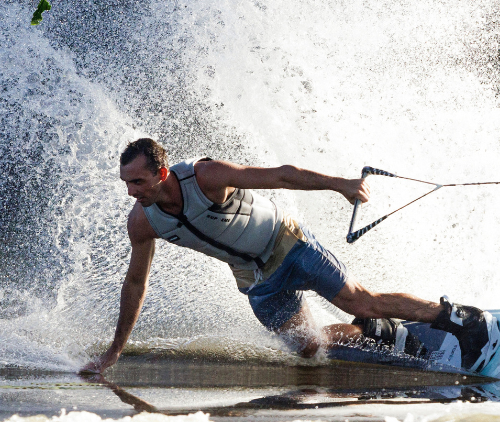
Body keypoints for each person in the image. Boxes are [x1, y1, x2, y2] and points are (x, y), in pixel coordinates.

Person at [82, 138, 500, 374]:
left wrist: (341, 185)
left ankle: (463, 320)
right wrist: (115, 349)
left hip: (288, 242)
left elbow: (281, 175)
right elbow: (135, 283)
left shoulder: (205, 175)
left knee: (360, 301)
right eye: (126, 183)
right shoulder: (143, 223)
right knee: (309, 348)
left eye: (136, 181)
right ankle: (386, 333)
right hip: (256, 279)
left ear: (162, 172)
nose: (131, 191)